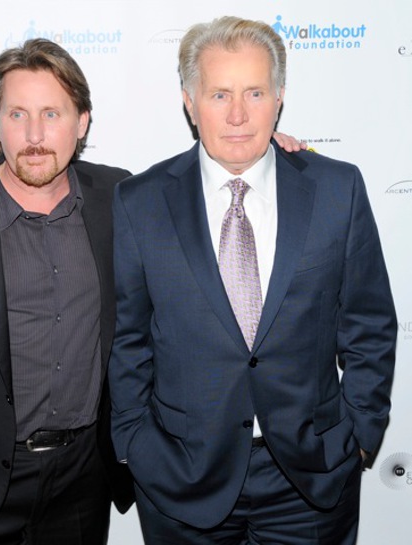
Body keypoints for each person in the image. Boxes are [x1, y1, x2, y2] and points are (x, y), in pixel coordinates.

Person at [0, 36, 302, 544]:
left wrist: (268, 157)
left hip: (83, 483)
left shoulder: (123, 200)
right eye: (17, 114)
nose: (34, 134)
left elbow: (207, 185)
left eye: (52, 114)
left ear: (82, 122)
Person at [109, 16, 397, 545]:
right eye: (219, 94)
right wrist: (133, 444)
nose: (238, 114)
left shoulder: (337, 188)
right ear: (189, 102)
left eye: (255, 92)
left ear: (280, 97)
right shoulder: (140, 202)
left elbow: (369, 323)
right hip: (181, 480)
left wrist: (360, 434)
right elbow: (128, 340)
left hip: (310, 479)